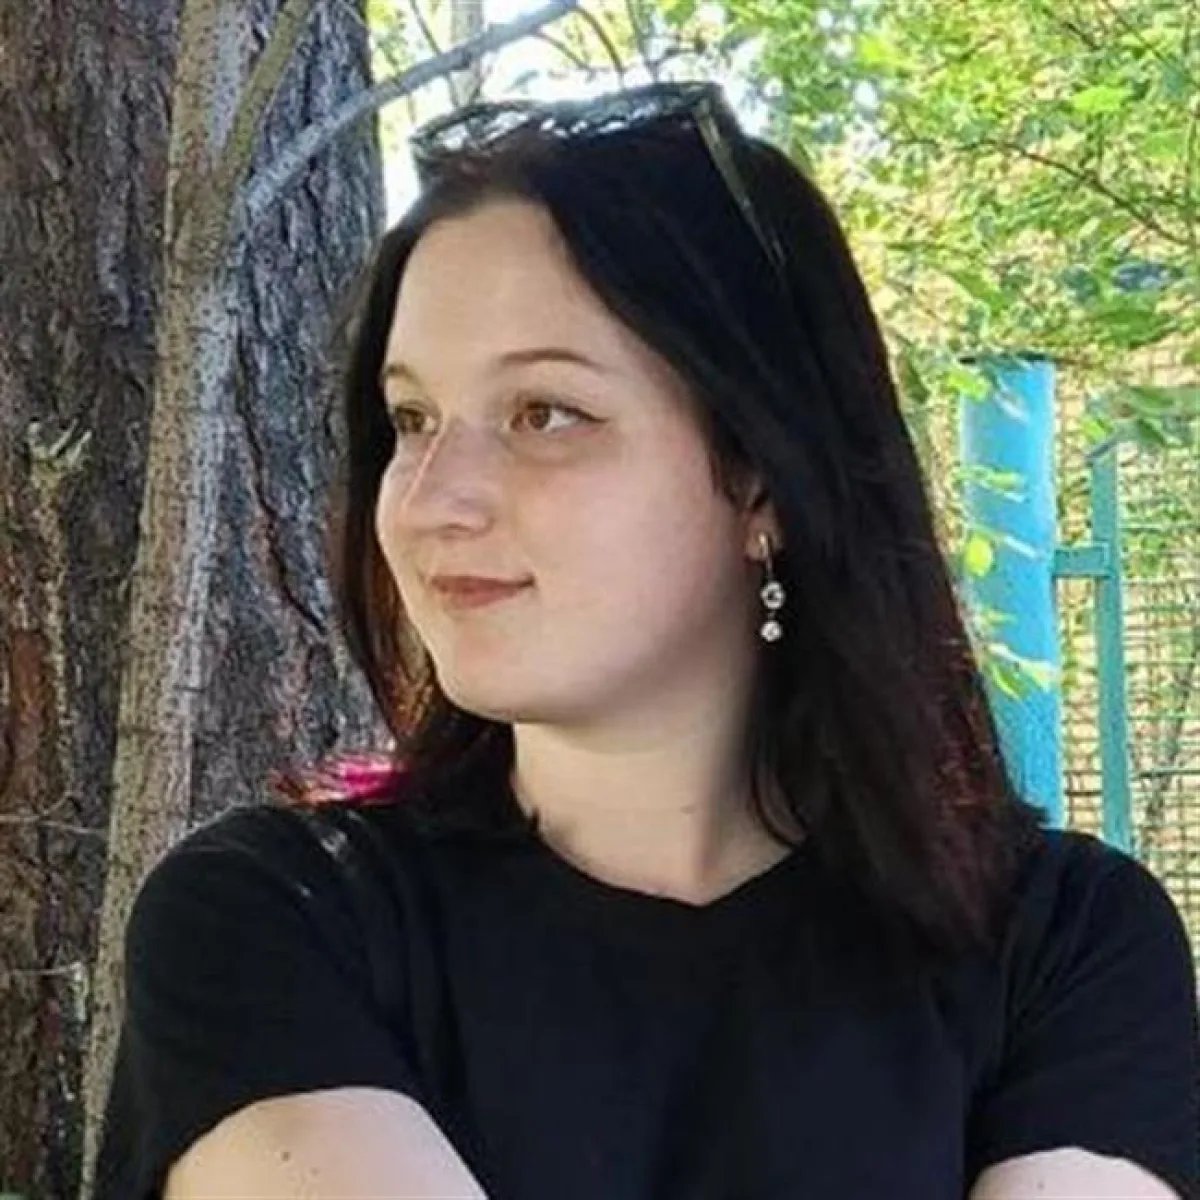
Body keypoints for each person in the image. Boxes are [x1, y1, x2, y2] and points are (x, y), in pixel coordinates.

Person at [92, 81, 1198, 1199]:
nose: (430, 501)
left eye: (543, 414)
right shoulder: (276, 917)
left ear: (762, 477)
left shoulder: (1063, 944)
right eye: (411, 420)